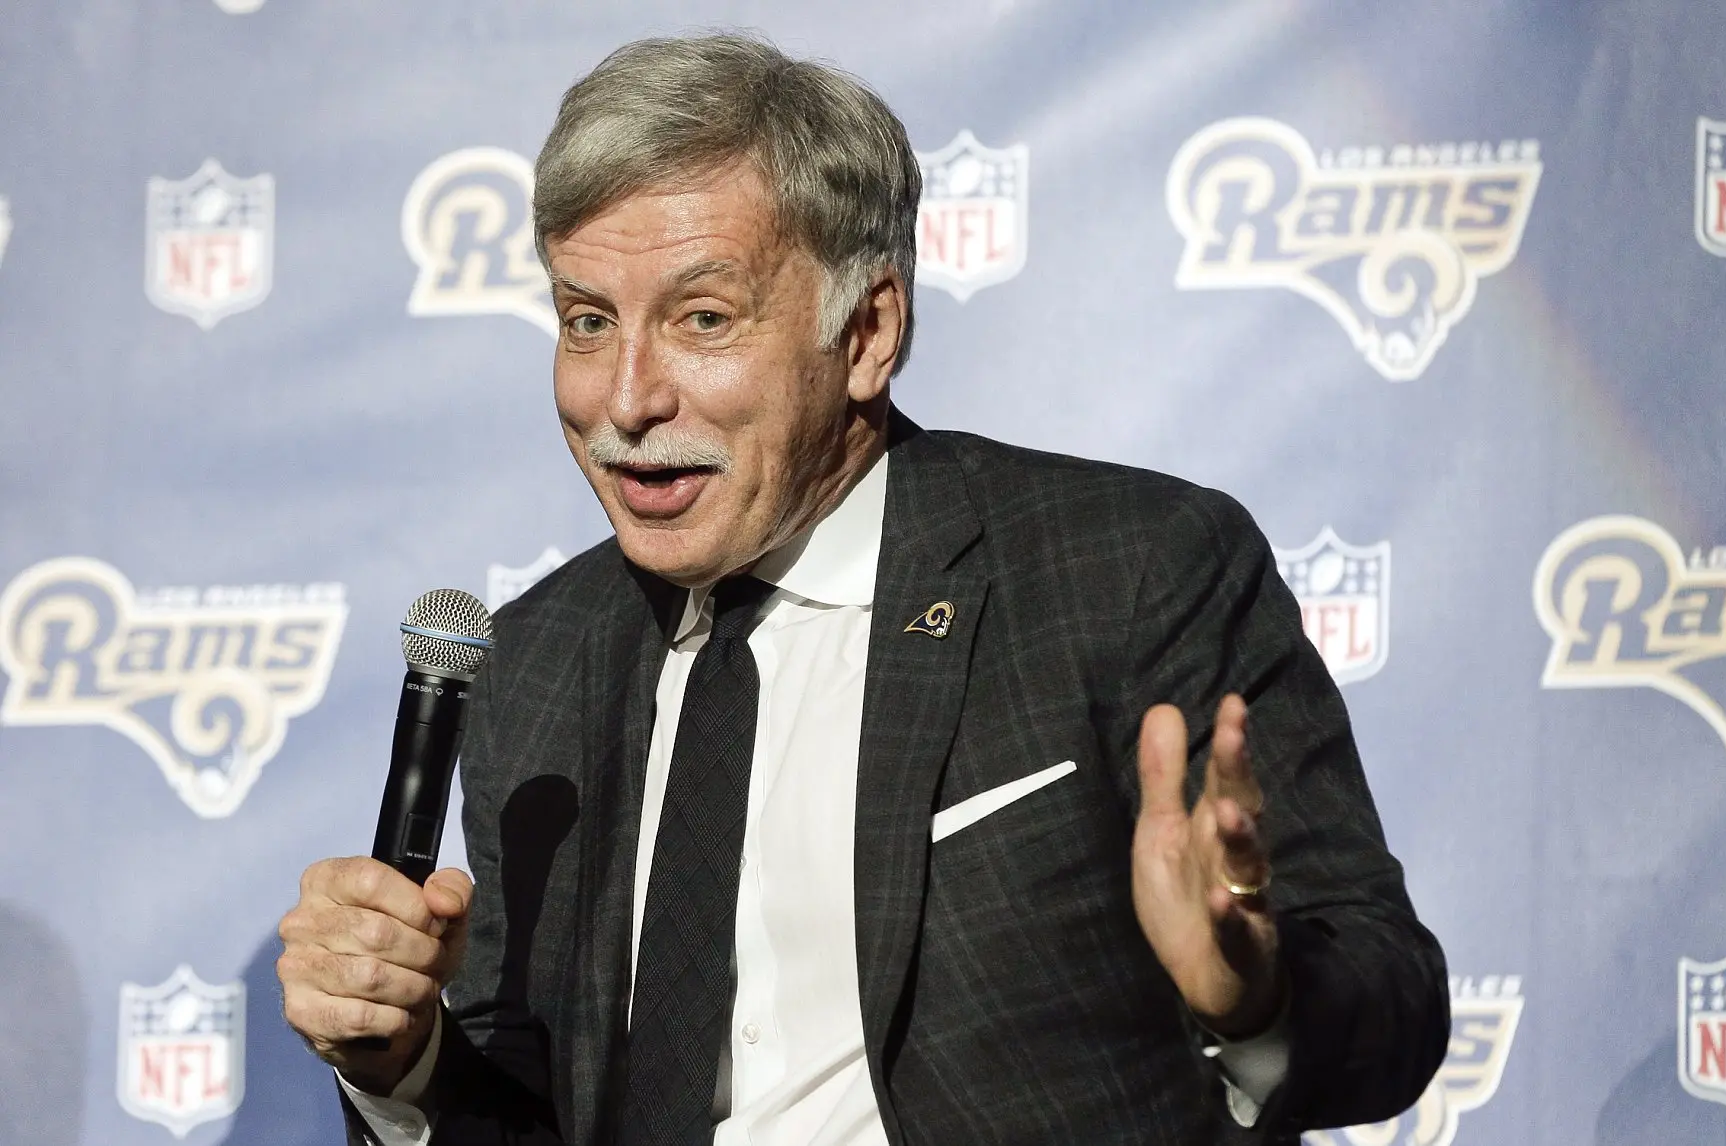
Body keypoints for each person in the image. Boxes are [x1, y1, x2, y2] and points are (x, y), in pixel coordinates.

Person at [275, 34, 1449, 1146]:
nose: (624, 401)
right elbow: (523, 1105)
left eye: (702, 318)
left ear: (869, 332)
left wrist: (1251, 995)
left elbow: (1389, 1000)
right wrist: (404, 1061)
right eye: (588, 321)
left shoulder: (1127, 571)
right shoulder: (539, 661)